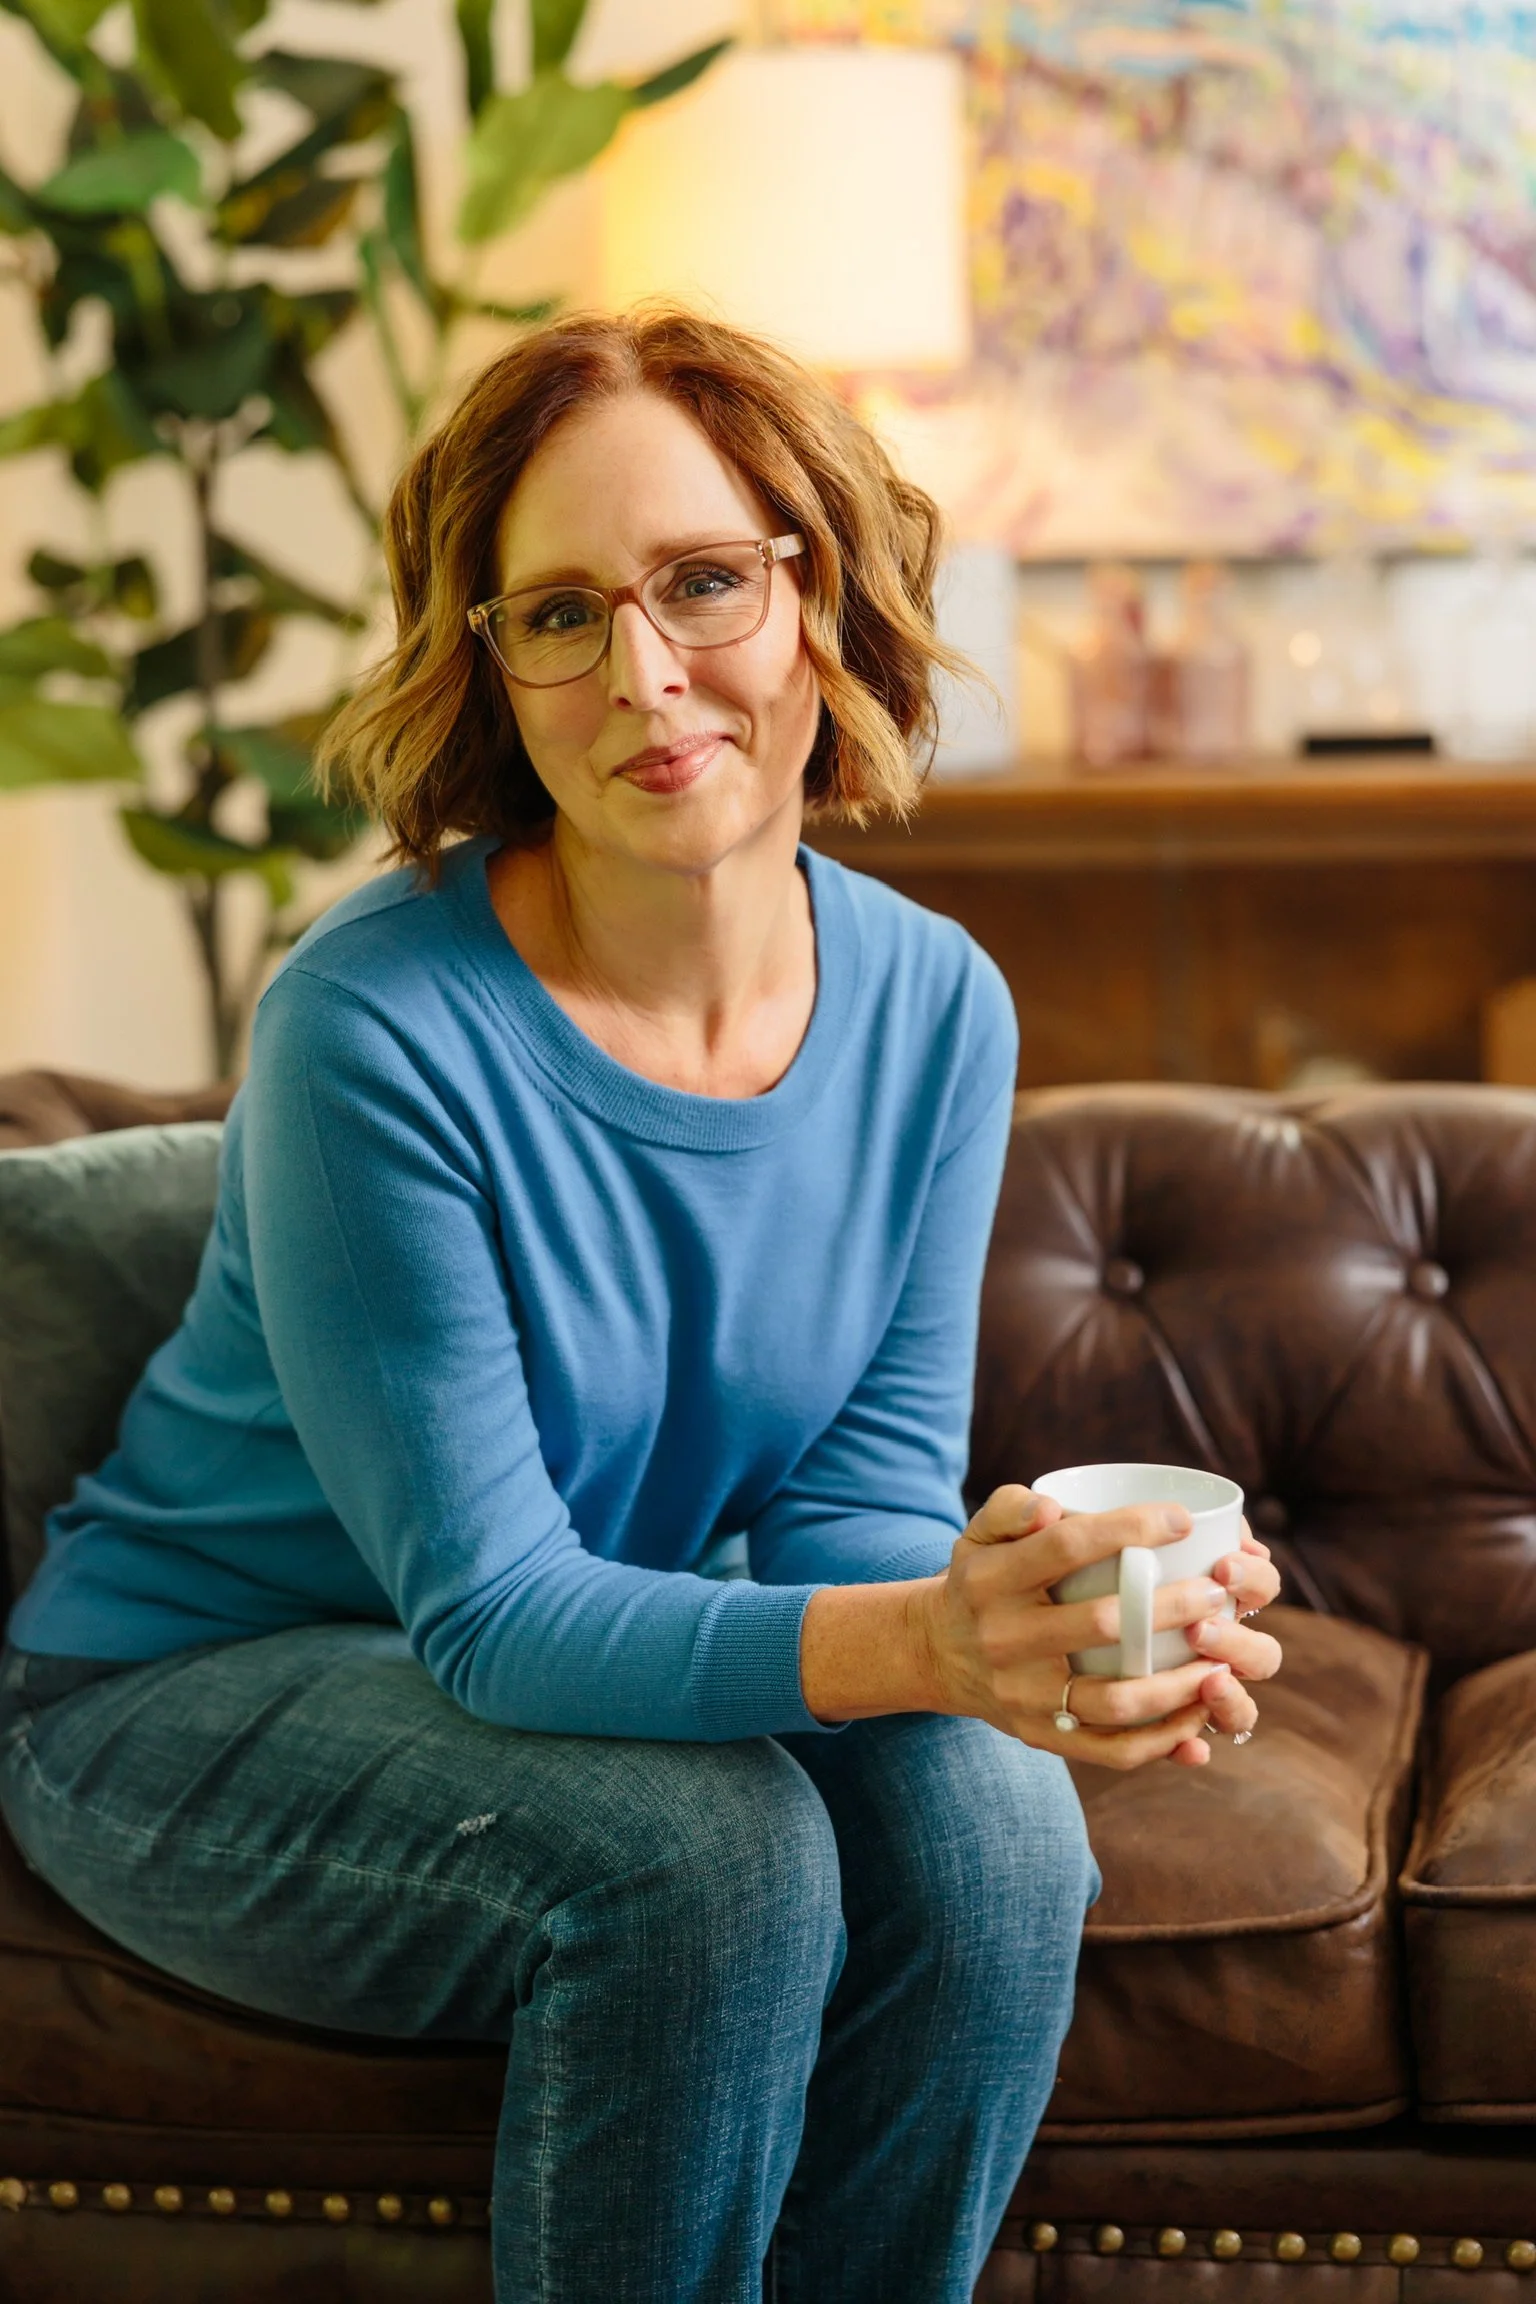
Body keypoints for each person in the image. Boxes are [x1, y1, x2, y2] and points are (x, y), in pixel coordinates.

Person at [0, 307, 1281, 2304]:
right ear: (489, 669)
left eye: (704, 583)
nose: (647, 677)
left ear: (821, 596)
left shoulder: (937, 1003)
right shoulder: (373, 1031)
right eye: (561, 616)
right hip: (189, 1701)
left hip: (558, 1673)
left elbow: (859, 1511)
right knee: (713, 1864)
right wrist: (936, 1639)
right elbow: (500, 1613)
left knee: (1002, 1827)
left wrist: (1024, 1639)